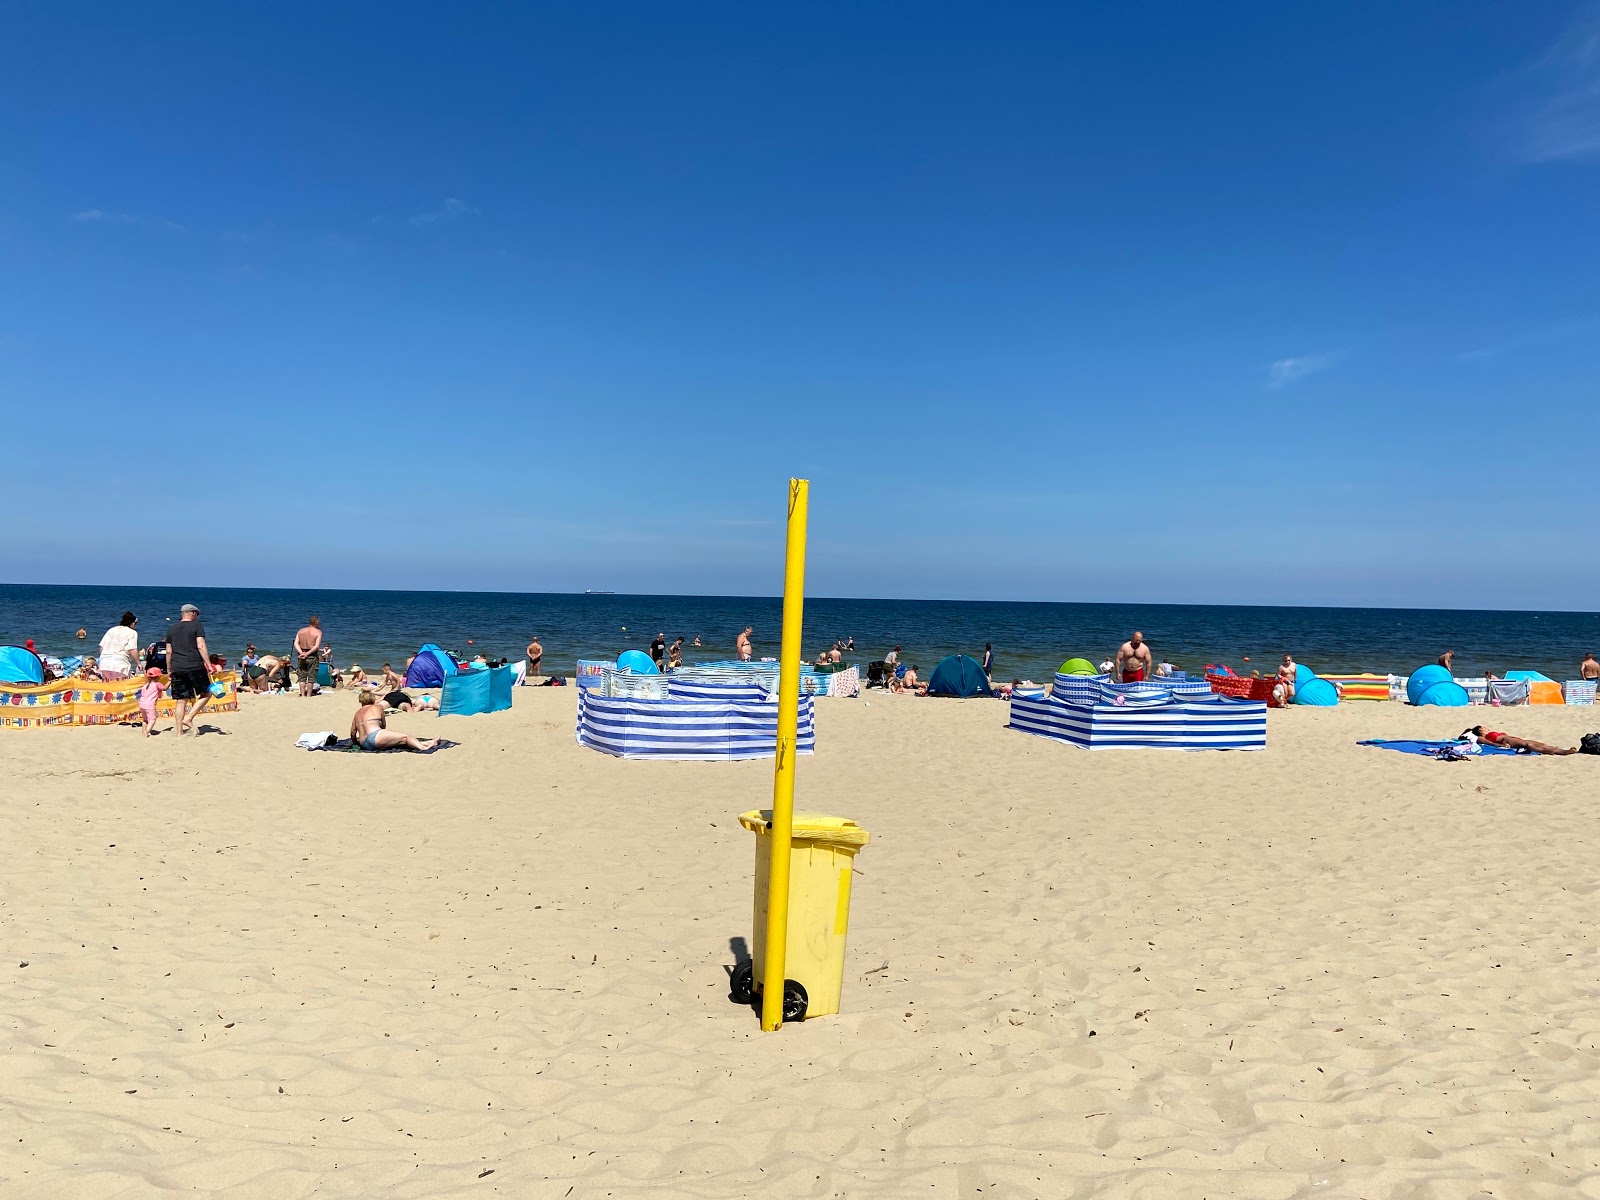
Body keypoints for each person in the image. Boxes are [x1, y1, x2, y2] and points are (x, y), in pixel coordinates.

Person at [165, 603, 214, 736]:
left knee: (181, 700)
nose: (197, 617)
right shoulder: (197, 626)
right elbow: (201, 646)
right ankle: (189, 717)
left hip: (177, 667)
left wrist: (169, 668)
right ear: (192, 613)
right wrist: (209, 664)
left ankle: (179, 732)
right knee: (206, 693)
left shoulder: (172, 629)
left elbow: (168, 651)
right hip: (194, 665)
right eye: (196, 614)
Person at [351, 689, 438, 752]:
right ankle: (424, 747)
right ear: (373, 700)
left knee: (400, 741)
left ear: (361, 701)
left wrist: (357, 744)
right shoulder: (377, 707)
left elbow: (353, 733)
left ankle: (426, 743)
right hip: (374, 736)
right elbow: (383, 726)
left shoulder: (357, 713)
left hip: (363, 743)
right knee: (405, 737)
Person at [1462, 725, 1576, 756]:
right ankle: (1560, 752)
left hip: (1512, 738)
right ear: (1480, 730)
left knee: (1538, 743)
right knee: (1528, 744)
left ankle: (1561, 750)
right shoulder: (1482, 737)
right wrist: (1500, 745)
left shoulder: (1489, 733)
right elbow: (1490, 743)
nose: (1486, 728)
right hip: (1507, 741)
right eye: (1483, 727)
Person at [98, 612, 140, 681]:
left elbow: (101, 647)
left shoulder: (111, 630)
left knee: (109, 686)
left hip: (104, 662)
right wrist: (139, 663)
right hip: (120, 664)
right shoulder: (132, 632)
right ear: (132, 623)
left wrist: (103, 658)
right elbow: (132, 649)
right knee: (121, 686)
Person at [294, 617, 323, 697]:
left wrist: (301, 652)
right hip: (311, 655)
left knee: (302, 677)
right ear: (317, 622)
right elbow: (316, 646)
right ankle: (308, 695)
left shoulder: (301, 631)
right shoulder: (318, 632)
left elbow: (296, 643)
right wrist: (307, 654)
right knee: (311, 677)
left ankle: (303, 694)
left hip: (301, 654)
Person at [138, 667, 166, 737]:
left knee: (145, 719)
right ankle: (147, 732)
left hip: (142, 704)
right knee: (152, 720)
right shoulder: (157, 684)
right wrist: (170, 681)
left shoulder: (145, 685)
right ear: (158, 677)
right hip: (149, 705)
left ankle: (143, 731)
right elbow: (164, 688)